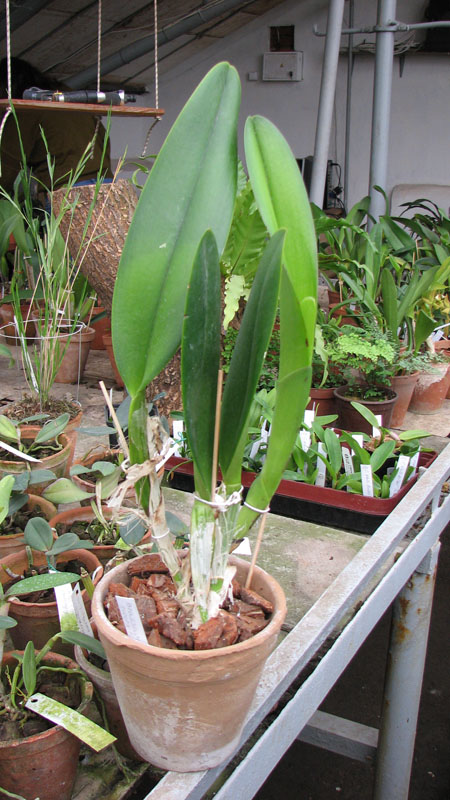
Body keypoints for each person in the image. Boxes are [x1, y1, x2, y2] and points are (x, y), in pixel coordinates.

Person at [0, 57, 112, 195]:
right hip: (106, 183)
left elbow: (6, 166)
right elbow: (102, 136)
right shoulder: (68, 96)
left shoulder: (26, 107)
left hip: (66, 190)